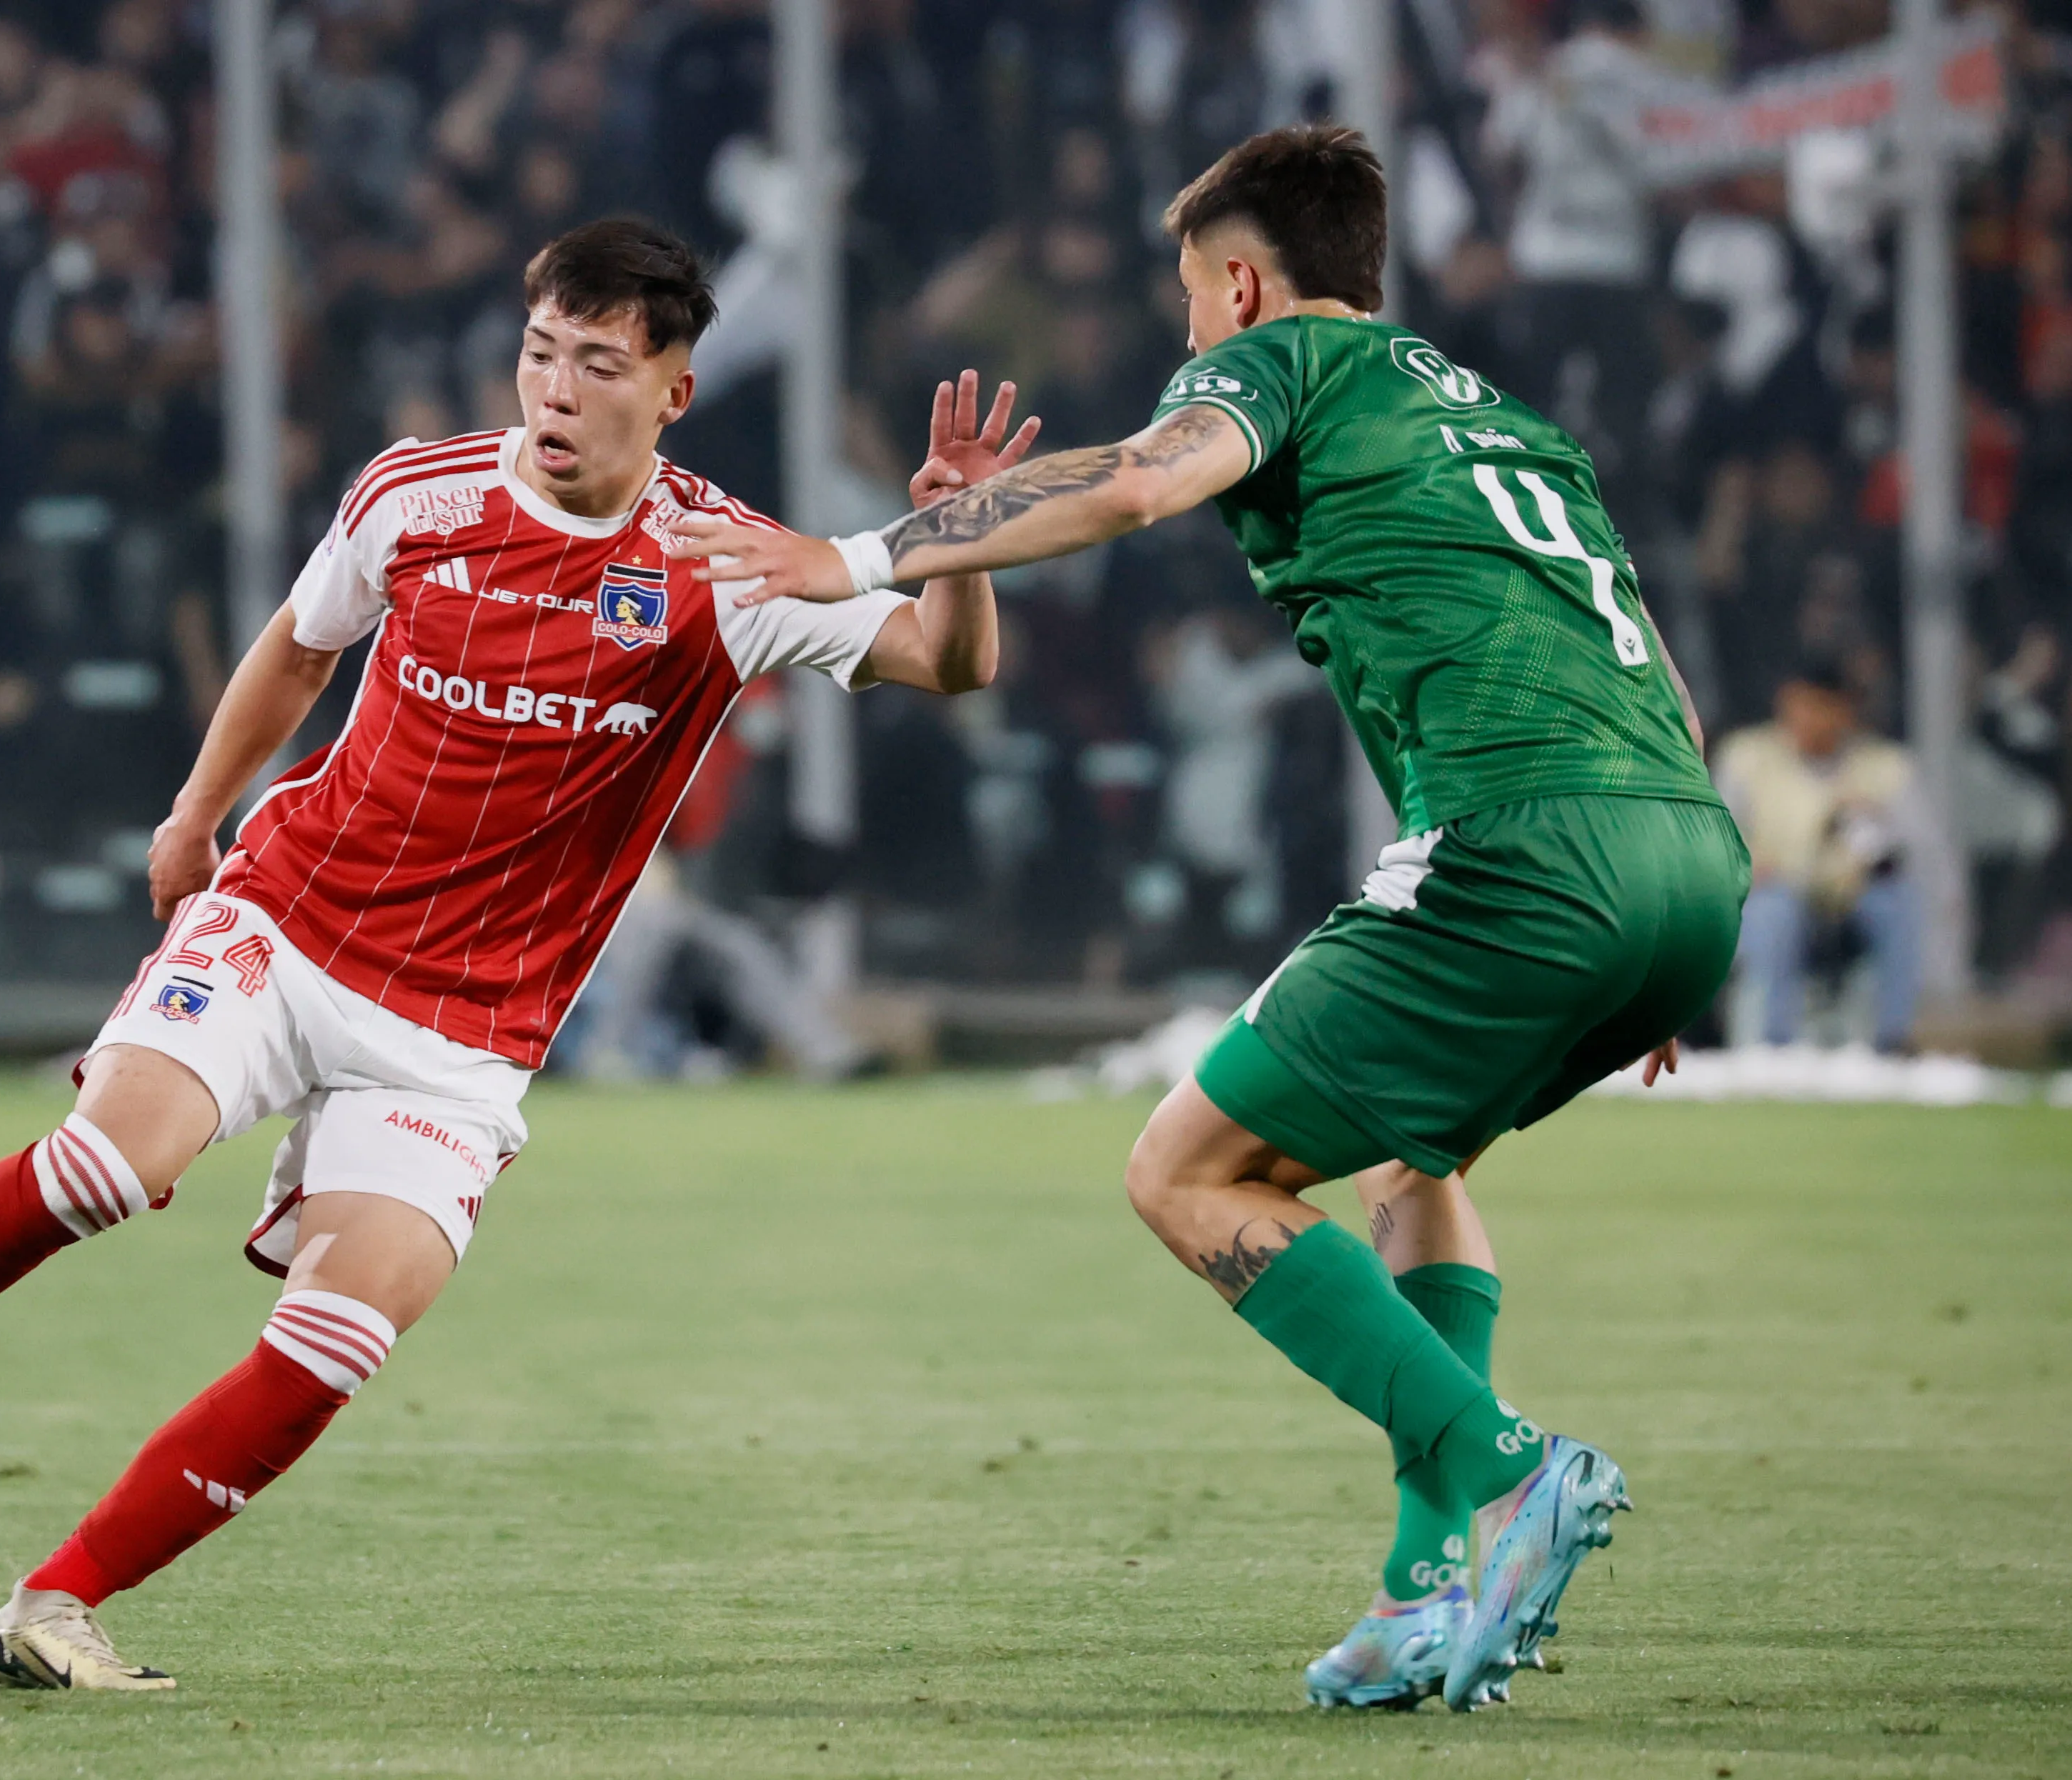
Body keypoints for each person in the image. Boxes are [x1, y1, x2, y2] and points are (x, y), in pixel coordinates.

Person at [0, 219, 1033, 1691]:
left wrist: (962, 535)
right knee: (109, 1164)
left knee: (338, 1334)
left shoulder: (725, 569)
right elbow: (299, 649)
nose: (554, 391)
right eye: (538, 355)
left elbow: (949, 664)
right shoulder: (415, 495)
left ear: (672, 392)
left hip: (461, 1032)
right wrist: (194, 815)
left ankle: (53, 1603)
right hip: (290, 923)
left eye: (598, 366)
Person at [671, 126, 1748, 1712]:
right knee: (1411, 1156)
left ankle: (1506, 1473)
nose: (1187, 340)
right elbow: (1645, 656)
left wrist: (840, 556)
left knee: (1181, 1167)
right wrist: (1651, 936)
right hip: (1681, 852)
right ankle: (1415, 1591)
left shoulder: (1285, 363)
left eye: (1189, 304)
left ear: (1240, 281)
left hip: (1525, 847)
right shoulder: (1505, 424)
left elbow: (1131, 484)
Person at [1715, 659, 1923, 1049]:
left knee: (1897, 903)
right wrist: (1743, 863)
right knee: (1775, 911)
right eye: (1802, 705)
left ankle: (1892, 1043)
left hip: (1851, 904)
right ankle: (1773, 1044)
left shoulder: (1884, 767)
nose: (1811, 718)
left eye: (1824, 707)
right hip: (1774, 896)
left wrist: (1878, 830)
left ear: (1846, 710)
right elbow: (1716, 837)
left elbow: (1915, 853)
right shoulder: (1747, 758)